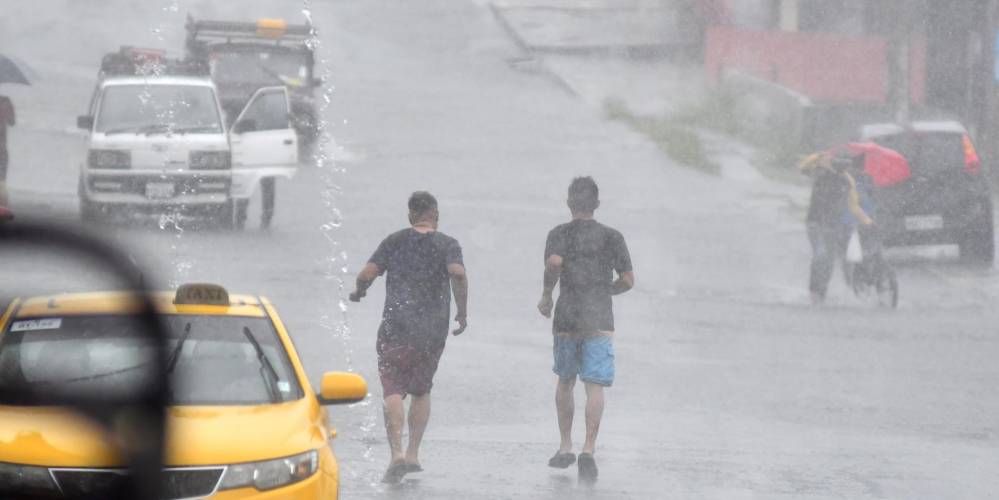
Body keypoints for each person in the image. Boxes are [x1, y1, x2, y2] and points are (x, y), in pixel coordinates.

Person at [349, 191, 468, 484]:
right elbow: (458, 274)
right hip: (431, 329)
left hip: (396, 325)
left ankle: (397, 454)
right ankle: (414, 453)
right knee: (422, 389)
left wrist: (359, 291)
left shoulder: (395, 241)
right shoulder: (447, 244)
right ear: (435, 216)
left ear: (410, 216)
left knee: (392, 388)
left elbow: (366, 273)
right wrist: (462, 312)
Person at [537, 176, 634, 482]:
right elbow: (628, 280)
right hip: (599, 318)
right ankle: (588, 449)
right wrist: (607, 290)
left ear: (569, 203)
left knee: (565, 381)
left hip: (567, 316)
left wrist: (546, 296)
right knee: (595, 385)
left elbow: (553, 264)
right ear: (596, 204)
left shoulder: (559, 233)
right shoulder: (612, 237)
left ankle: (565, 445)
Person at [800, 152, 873, 303]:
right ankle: (814, 292)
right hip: (815, 223)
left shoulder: (847, 181)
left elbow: (853, 206)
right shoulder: (821, 173)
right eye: (839, 164)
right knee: (821, 256)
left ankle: (821, 293)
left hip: (832, 225)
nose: (843, 168)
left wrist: (867, 221)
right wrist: (821, 157)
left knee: (829, 261)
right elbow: (804, 168)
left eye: (846, 165)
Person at [0, 95, 15, 207]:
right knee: (2, 179)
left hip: (2, 148)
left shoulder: (5, 102)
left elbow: (12, 122)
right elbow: (12, 122)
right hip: (2, 149)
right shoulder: (5, 101)